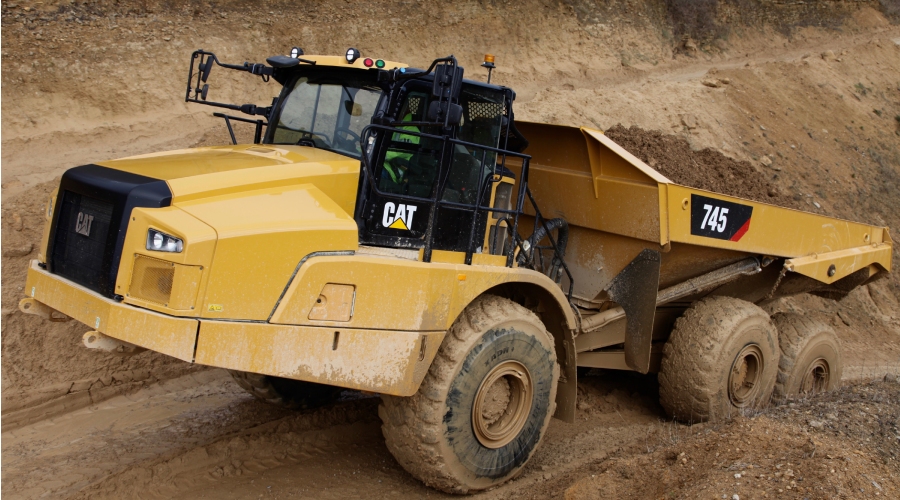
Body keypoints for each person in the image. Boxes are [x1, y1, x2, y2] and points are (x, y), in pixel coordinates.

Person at [381, 113, 420, 189]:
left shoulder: (412, 130)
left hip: (392, 171)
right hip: (383, 164)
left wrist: (378, 154)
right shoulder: (396, 124)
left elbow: (400, 150)